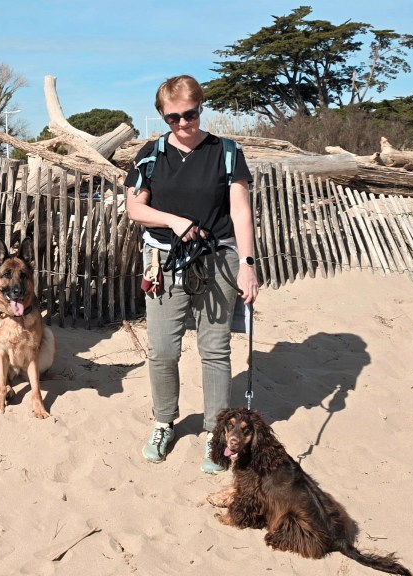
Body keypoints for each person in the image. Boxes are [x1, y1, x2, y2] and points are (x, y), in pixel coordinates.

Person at [124, 75, 259, 473]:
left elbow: (240, 212)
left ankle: (215, 434)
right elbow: (136, 209)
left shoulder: (227, 152)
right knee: (163, 349)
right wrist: (174, 221)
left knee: (215, 350)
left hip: (218, 259)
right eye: (173, 118)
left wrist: (248, 265)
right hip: (164, 261)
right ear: (163, 117)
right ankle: (164, 421)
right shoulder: (151, 155)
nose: (183, 124)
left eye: (190, 114)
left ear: (201, 108)